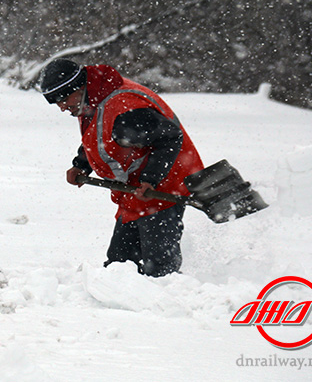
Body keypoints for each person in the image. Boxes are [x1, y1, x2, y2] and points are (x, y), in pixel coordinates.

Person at [39, 58, 204, 277]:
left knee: (159, 271)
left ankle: (169, 301)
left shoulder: (125, 109)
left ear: (79, 87)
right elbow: (99, 136)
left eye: (63, 99)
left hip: (164, 190)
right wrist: (81, 165)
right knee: (119, 267)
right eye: (56, 103)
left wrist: (150, 179)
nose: (62, 107)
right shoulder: (93, 101)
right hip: (135, 194)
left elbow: (170, 138)